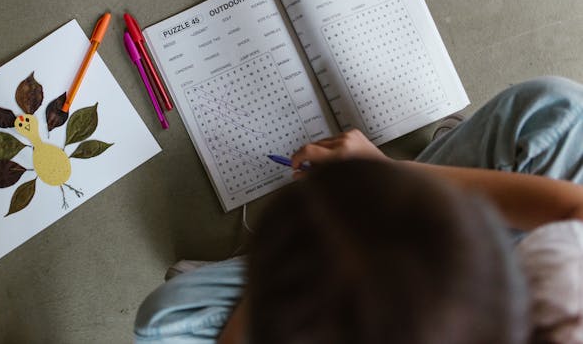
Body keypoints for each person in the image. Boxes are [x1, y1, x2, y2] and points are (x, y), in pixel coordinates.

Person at [134, 76, 583, 343]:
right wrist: (393, 175)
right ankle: (445, 170)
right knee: (559, 114)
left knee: (169, 318)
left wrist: (279, 280)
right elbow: (573, 209)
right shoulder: (566, 299)